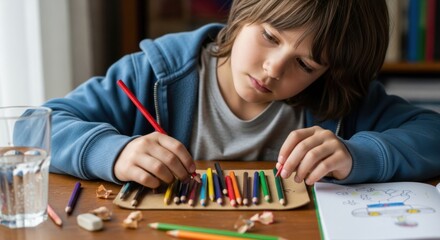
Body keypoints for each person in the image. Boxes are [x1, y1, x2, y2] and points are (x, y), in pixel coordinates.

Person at [43, 0, 440, 189]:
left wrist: (360, 154)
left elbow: (431, 133)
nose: (274, 68)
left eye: (305, 65)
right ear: (242, 10)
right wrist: (114, 153)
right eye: (269, 37)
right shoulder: (156, 72)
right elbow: (37, 126)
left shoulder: (335, 100)